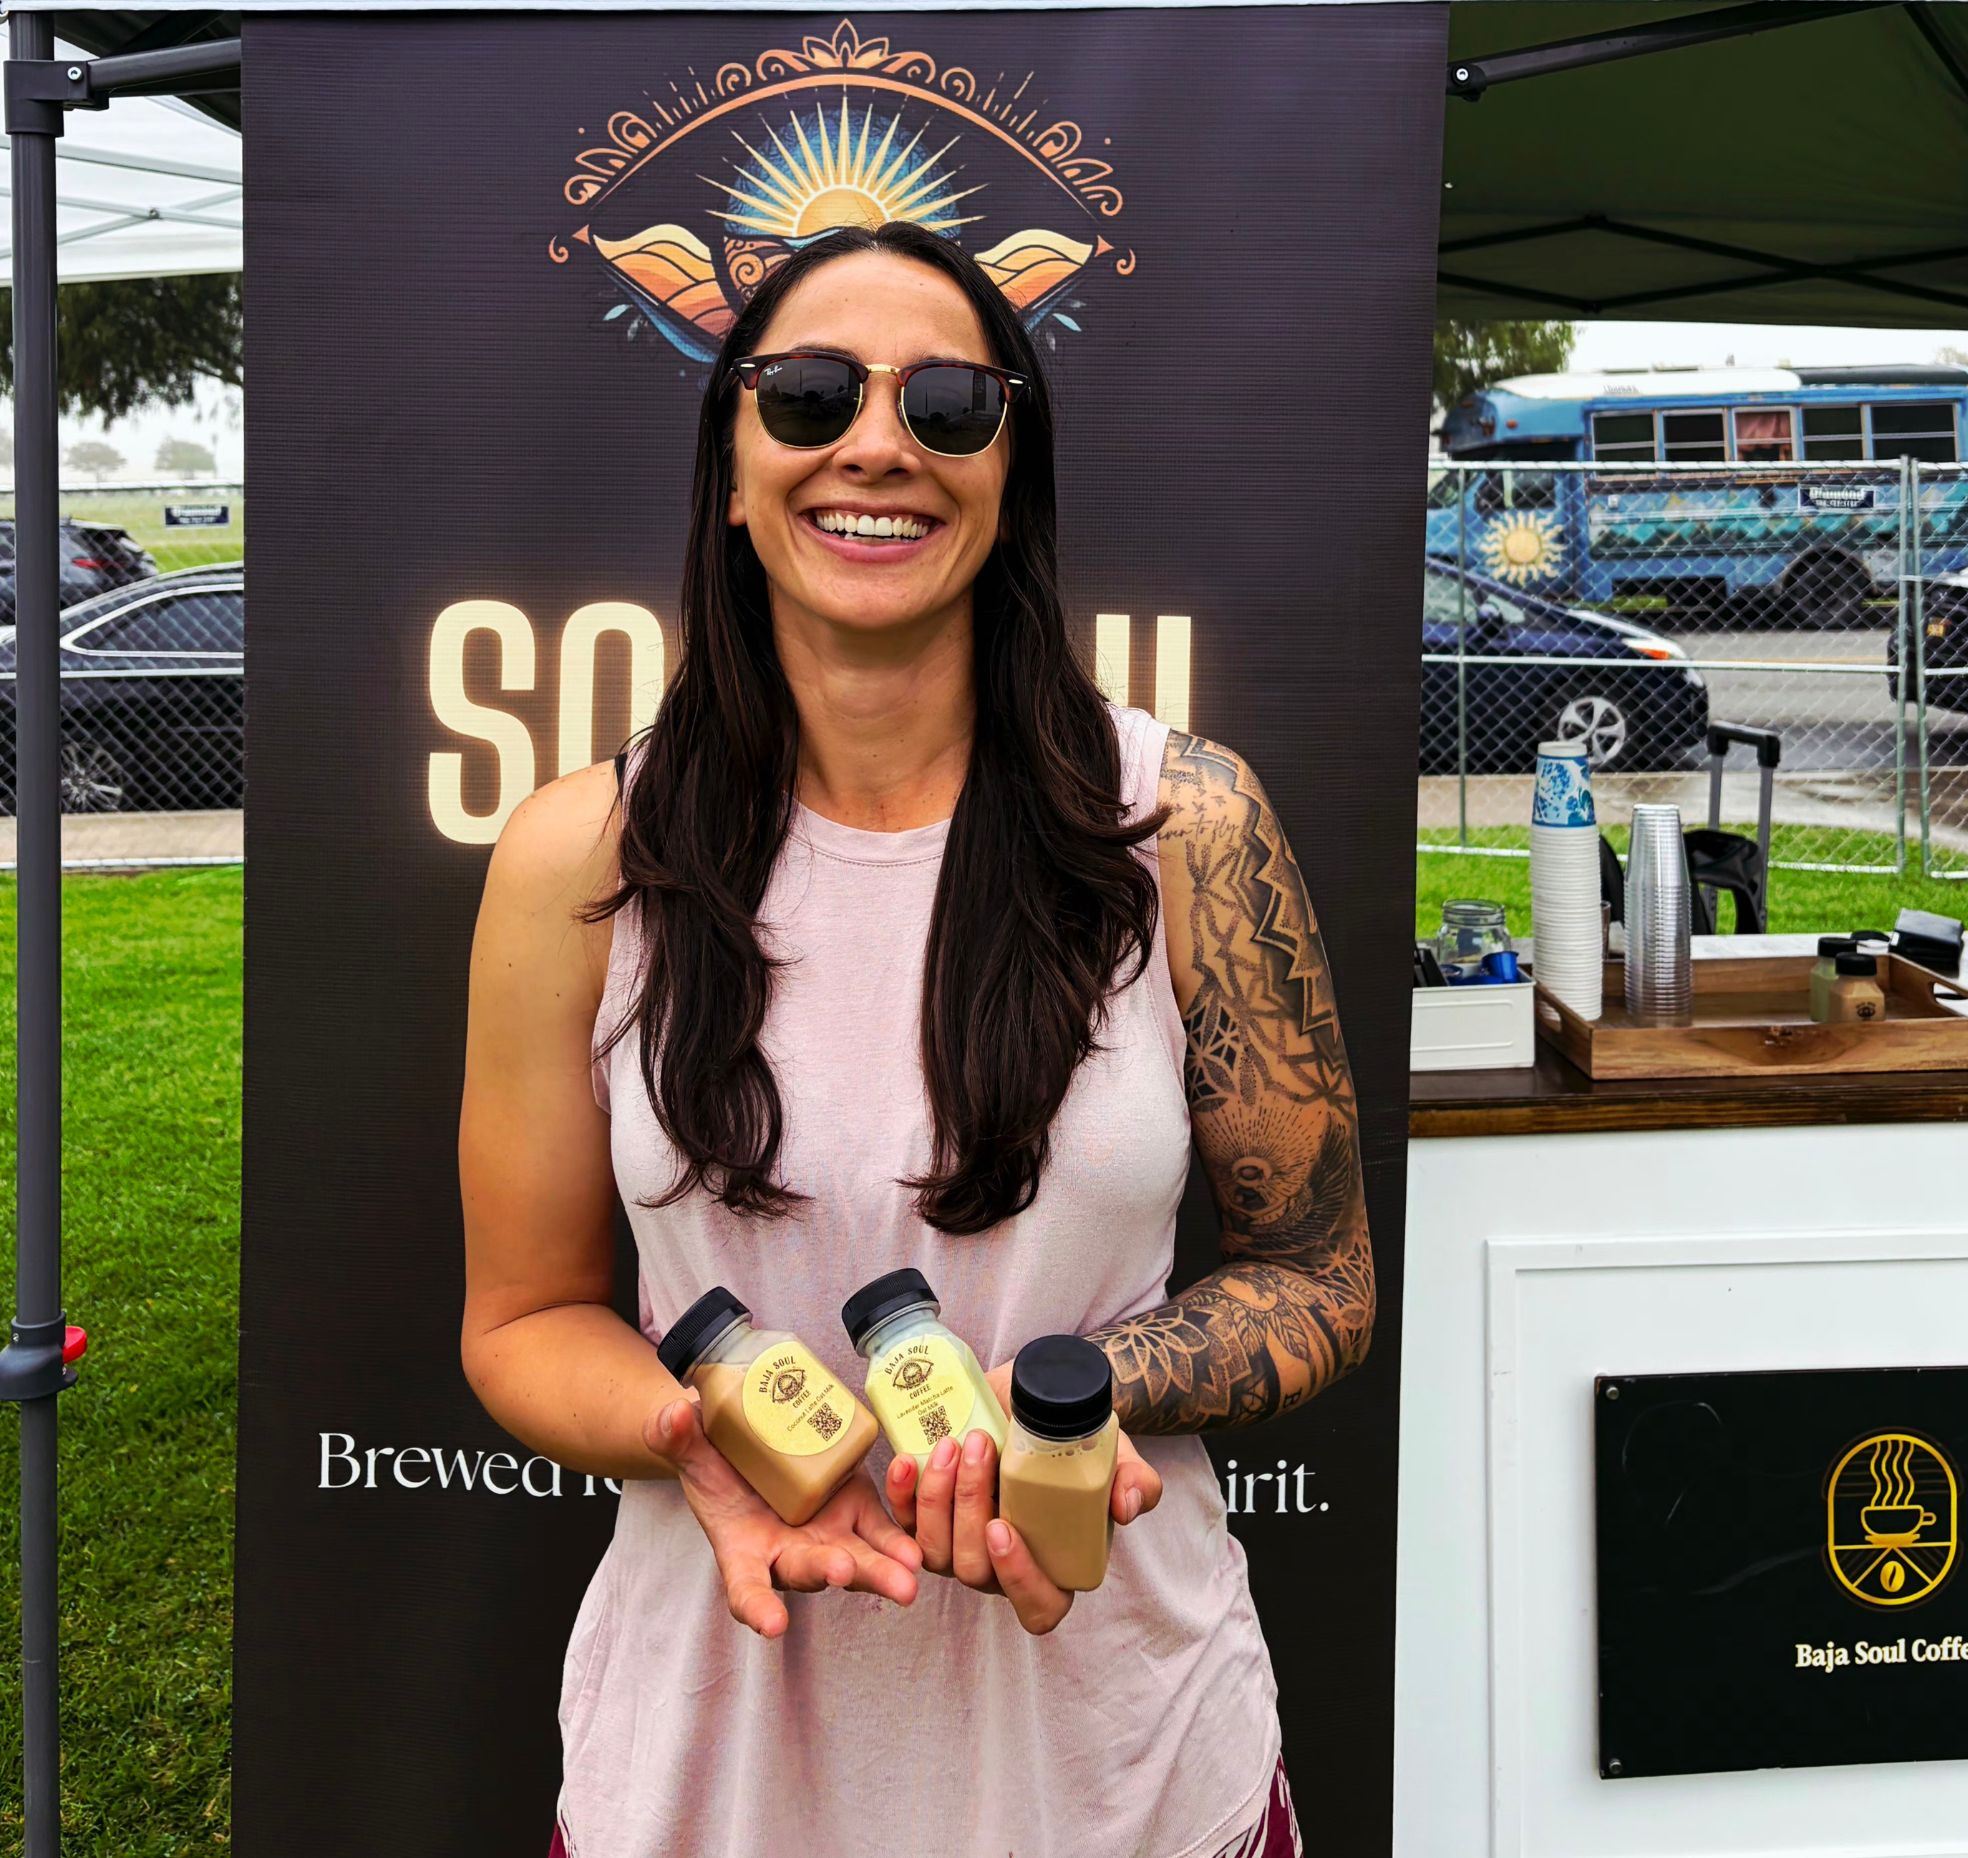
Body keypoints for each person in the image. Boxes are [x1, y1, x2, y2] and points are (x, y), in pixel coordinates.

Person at [459, 219, 1374, 1858]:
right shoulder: (576, 857)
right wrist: (695, 1434)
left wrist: (1067, 1402)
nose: (876, 441)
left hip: (1128, 1781)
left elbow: (1321, 1277)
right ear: (732, 470)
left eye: (950, 401)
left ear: (1009, 470)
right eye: (807, 395)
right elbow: (523, 1317)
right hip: (706, 1781)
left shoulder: (1184, 821)